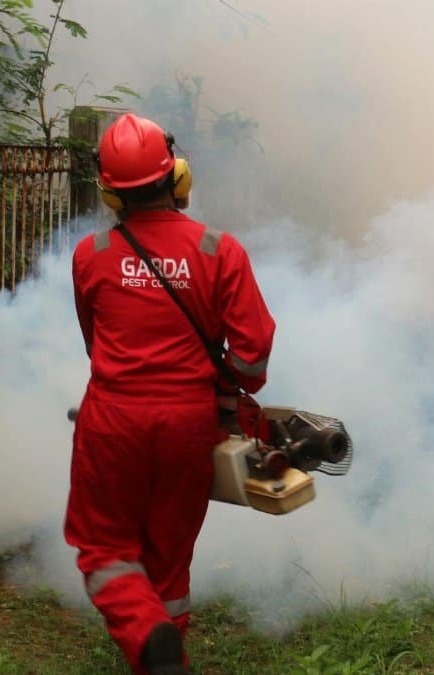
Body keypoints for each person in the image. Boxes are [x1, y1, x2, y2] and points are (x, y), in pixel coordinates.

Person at [65, 112, 276, 674]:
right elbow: (253, 358)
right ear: (177, 175)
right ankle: (166, 655)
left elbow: (95, 344)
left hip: (112, 422)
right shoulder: (219, 250)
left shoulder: (91, 254)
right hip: (188, 425)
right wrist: (228, 383)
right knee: (169, 553)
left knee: (104, 548)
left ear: (110, 192)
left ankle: (148, 632)